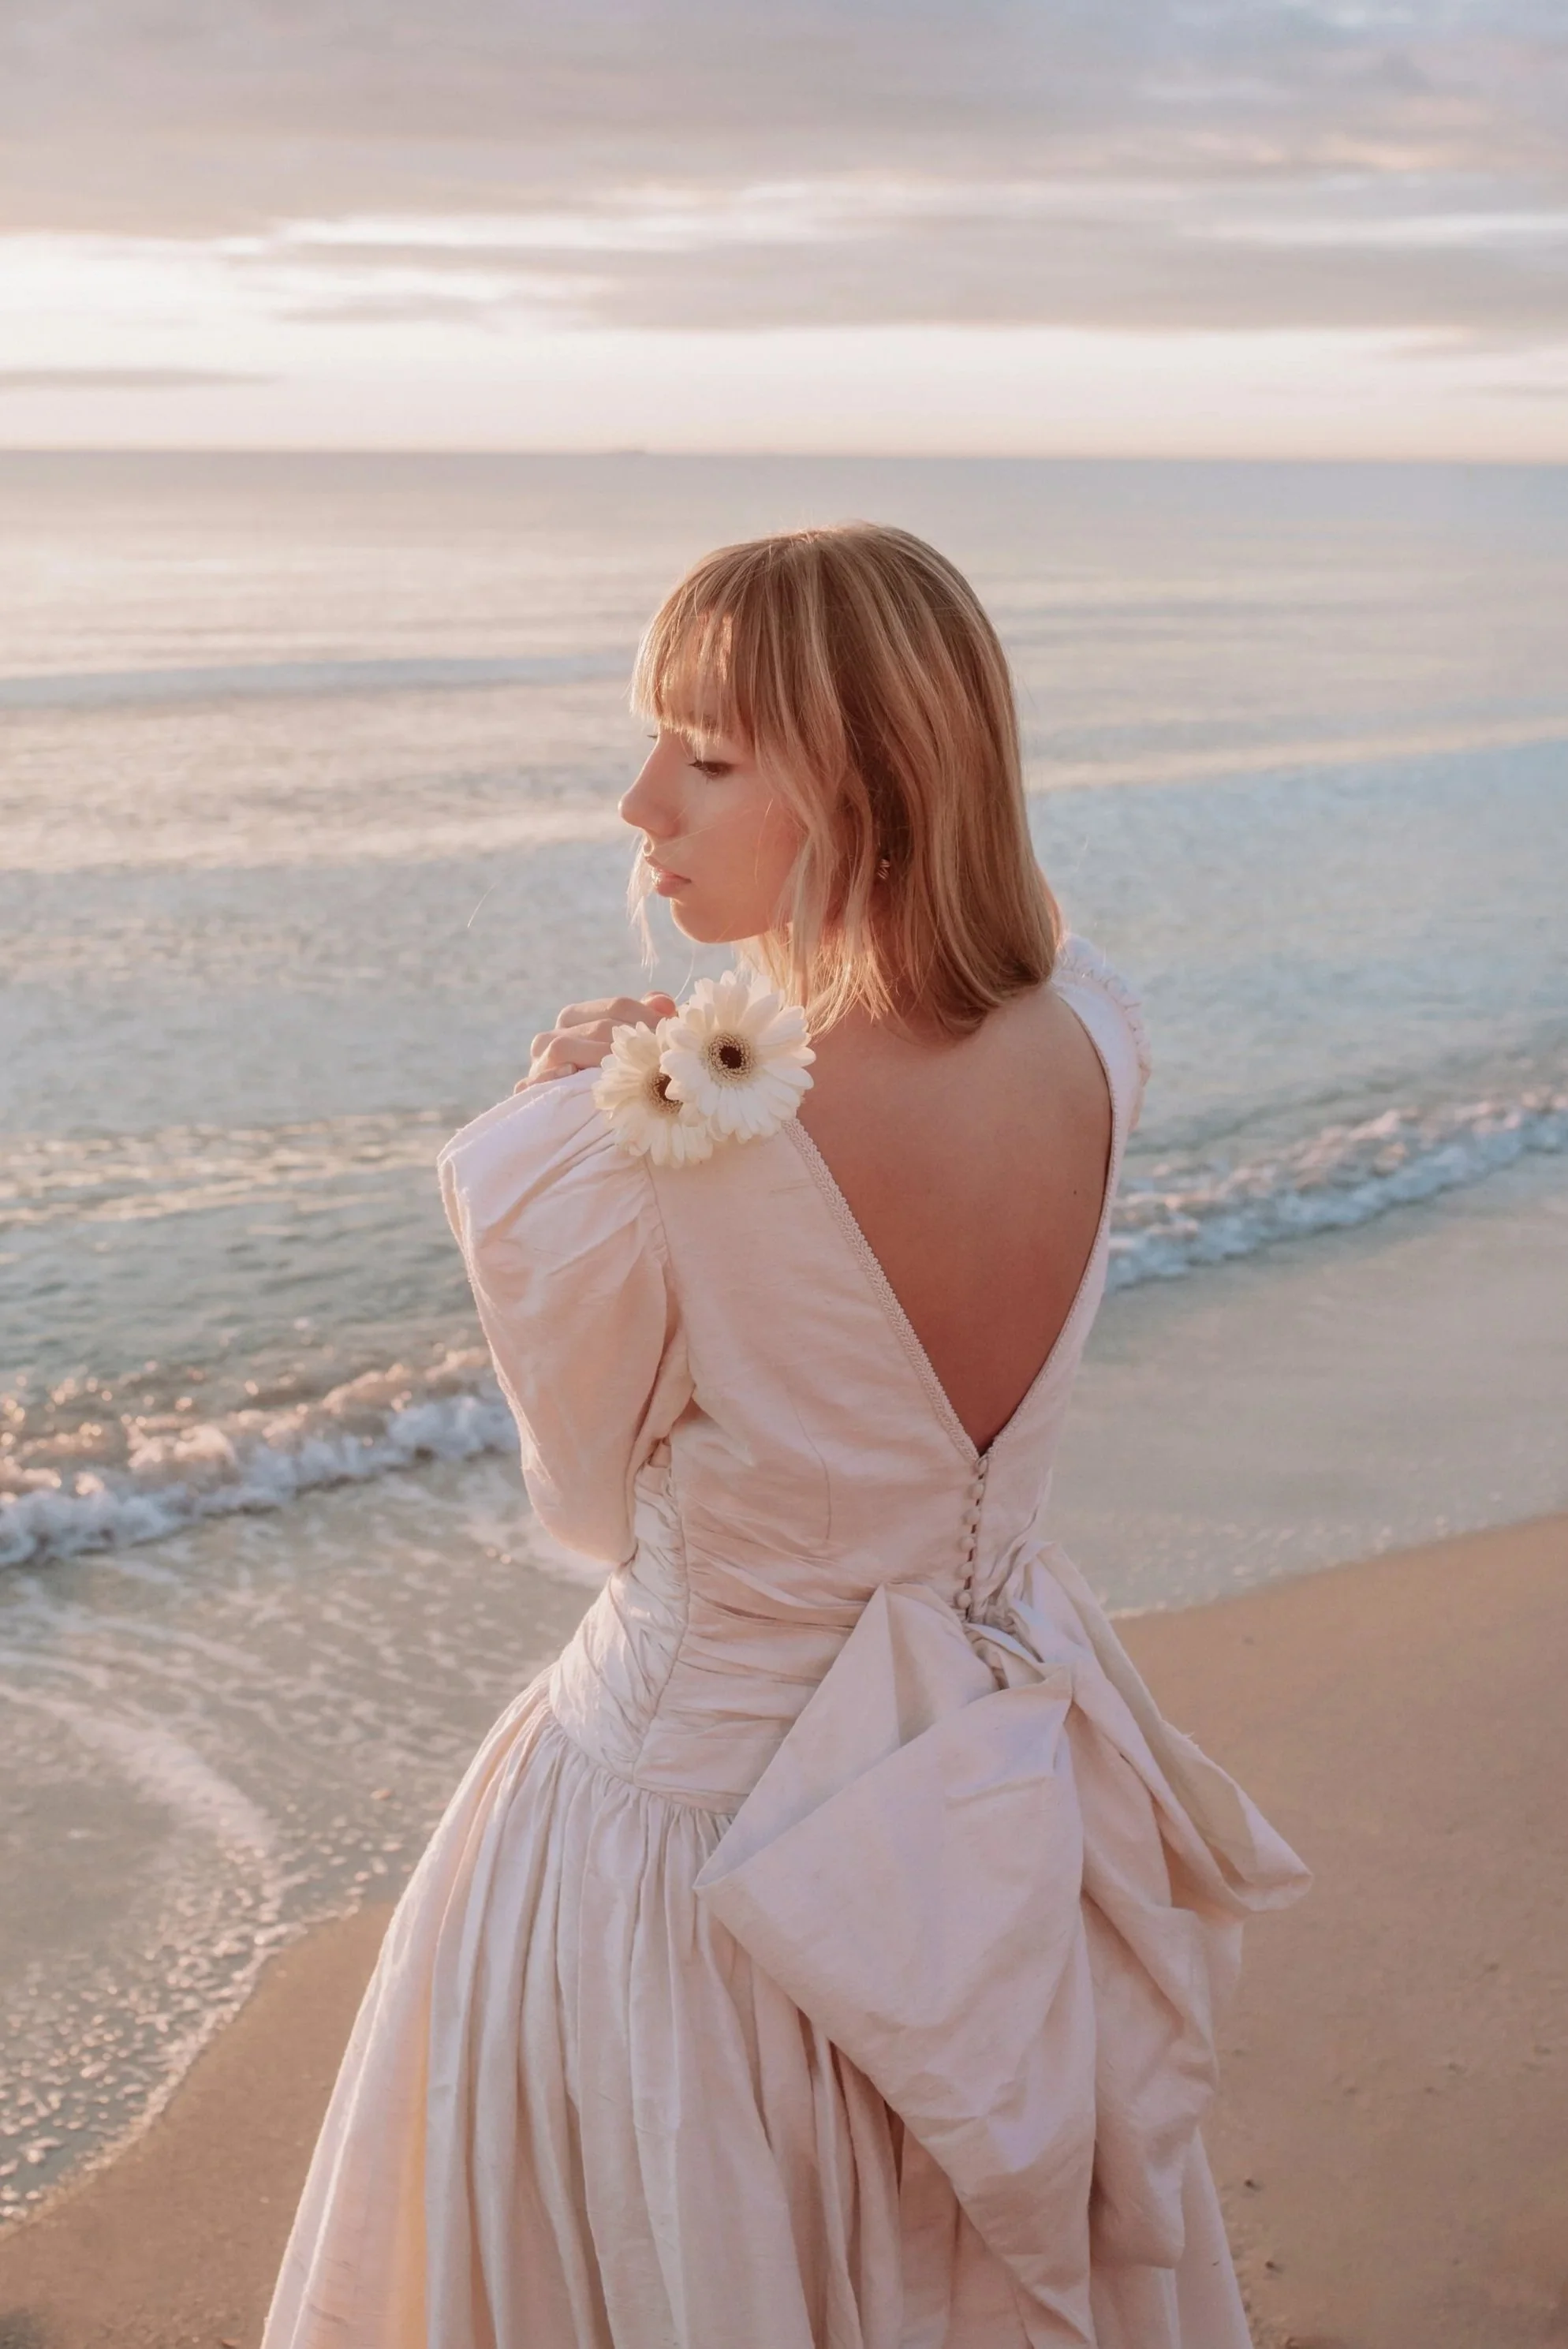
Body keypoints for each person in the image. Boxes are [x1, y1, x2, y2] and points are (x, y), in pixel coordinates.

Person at [263, 524, 1308, 2349]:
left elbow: (589, 1505)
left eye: (709, 752)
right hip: (998, 1781)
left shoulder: (655, 1135)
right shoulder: (1096, 1033)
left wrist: (556, 1130)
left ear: (874, 781)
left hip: (698, 1853)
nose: (636, 799)